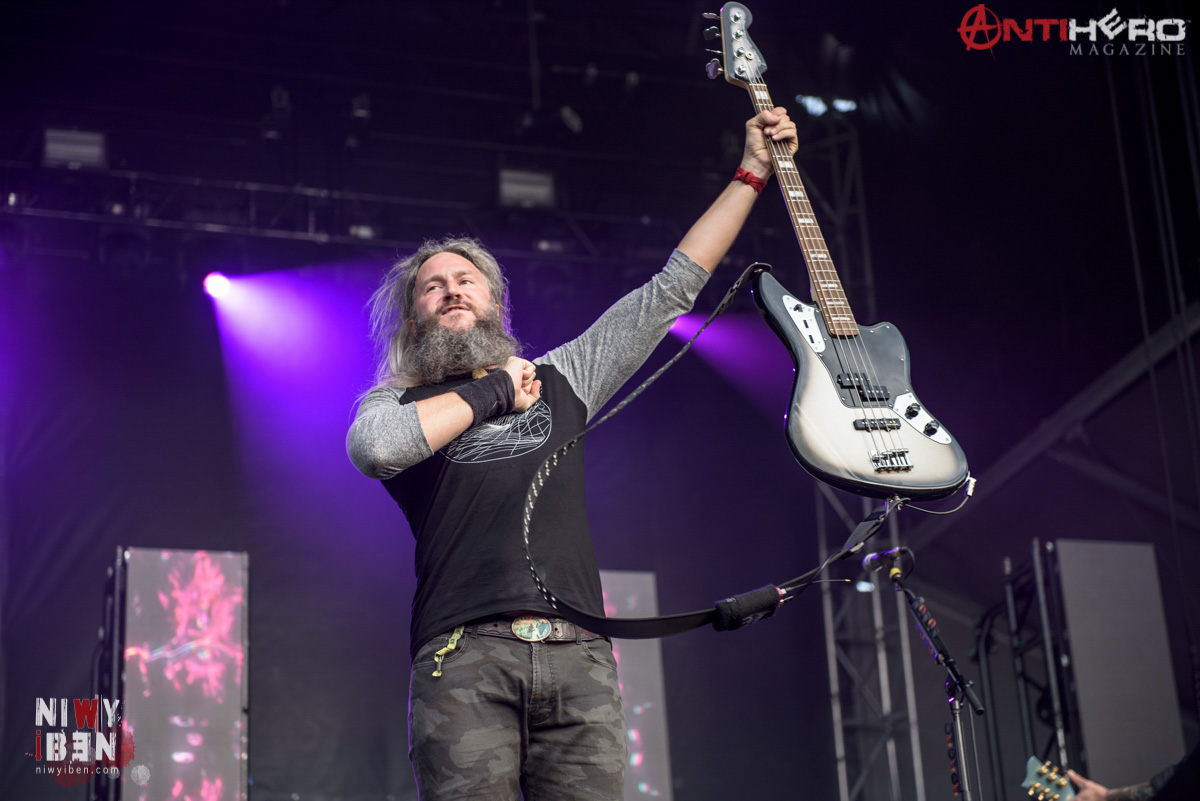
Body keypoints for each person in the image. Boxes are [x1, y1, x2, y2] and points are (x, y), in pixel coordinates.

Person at [346, 107, 797, 800]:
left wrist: (753, 171)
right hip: (464, 656)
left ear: (495, 304)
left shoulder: (563, 377)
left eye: (466, 280)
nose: (452, 289)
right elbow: (376, 450)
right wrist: (498, 389)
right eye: (433, 286)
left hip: (580, 657)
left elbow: (670, 290)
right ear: (414, 318)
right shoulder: (396, 404)